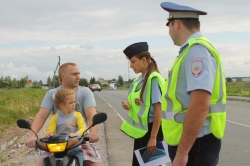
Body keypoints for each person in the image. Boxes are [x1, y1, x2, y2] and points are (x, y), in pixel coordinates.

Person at [160, 2, 227, 166]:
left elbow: (200, 104)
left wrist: (182, 153)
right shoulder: (190, 50)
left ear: (176, 24)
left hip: (195, 143)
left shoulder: (197, 50)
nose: (168, 31)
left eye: (168, 25)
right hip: (192, 139)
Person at [26, 62, 102, 166]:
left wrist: (93, 133)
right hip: (56, 143)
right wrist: (32, 136)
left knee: (95, 164)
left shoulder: (85, 92)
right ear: (63, 76)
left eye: (78, 73)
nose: (78, 77)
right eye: (74, 74)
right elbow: (42, 115)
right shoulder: (52, 94)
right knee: (40, 164)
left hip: (80, 141)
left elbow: (91, 114)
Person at [120, 42, 165, 166]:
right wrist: (130, 107)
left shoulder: (153, 79)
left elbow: (158, 110)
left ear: (144, 60)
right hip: (142, 132)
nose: (131, 66)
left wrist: (153, 137)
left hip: (152, 131)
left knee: (152, 165)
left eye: (133, 61)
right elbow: (144, 105)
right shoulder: (139, 80)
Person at [39, 89, 87, 165]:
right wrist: (48, 133)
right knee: (45, 161)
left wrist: (77, 134)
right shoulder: (55, 117)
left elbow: (83, 128)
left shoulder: (77, 115)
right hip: (58, 147)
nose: (74, 104)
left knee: (79, 158)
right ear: (61, 105)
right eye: (71, 102)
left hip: (74, 146)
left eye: (74, 101)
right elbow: (50, 129)